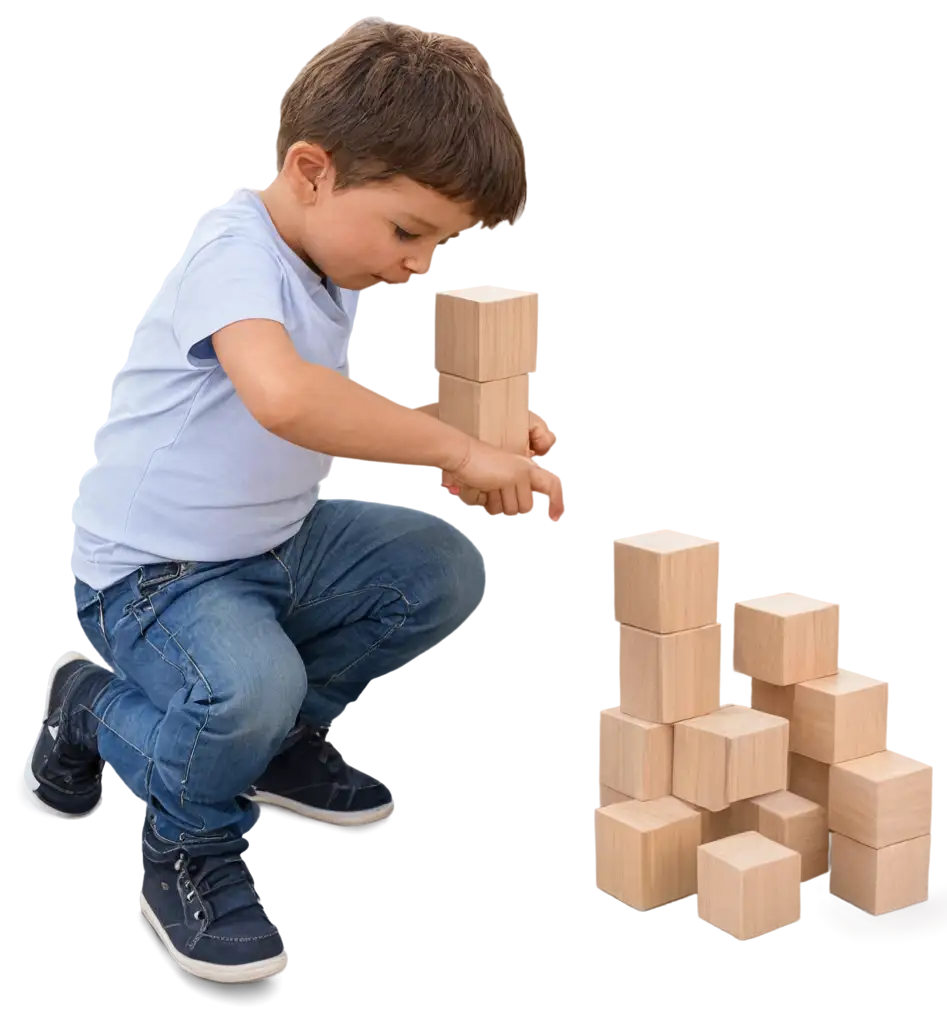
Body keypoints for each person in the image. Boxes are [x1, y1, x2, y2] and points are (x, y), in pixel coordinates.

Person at [15, 18, 562, 986]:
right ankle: (134, 767)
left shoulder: (320, 254)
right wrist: (450, 443)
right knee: (247, 689)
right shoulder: (233, 250)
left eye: (437, 242)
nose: (418, 265)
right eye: (408, 230)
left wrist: (482, 440)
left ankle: (268, 745)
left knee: (439, 569)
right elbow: (284, 396)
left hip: (275, 544)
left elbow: (330, 410)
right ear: (312, 171)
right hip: (155, 574)